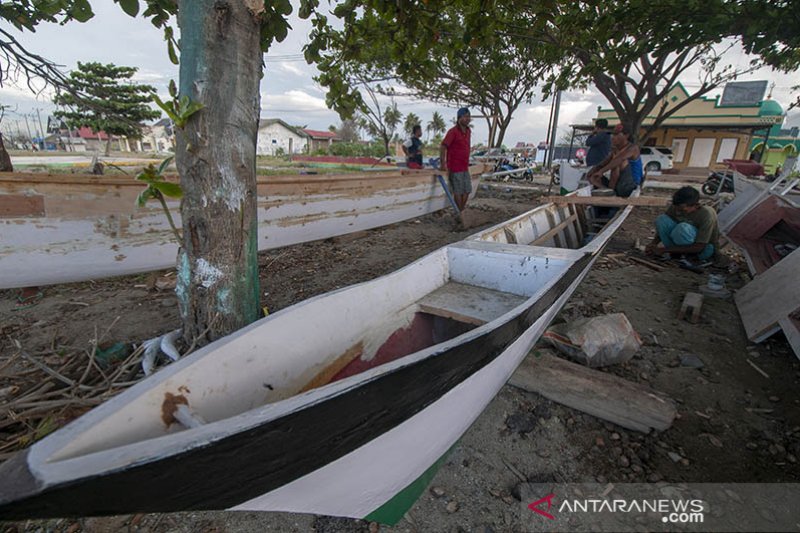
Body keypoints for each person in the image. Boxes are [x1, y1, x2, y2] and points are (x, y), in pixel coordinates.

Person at [645, 186, 719, 262]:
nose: (677, 212)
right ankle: (676, 254)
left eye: (682, 209)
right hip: (681, 242)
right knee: (662, 219)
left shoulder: (706, 214)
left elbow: (700, 246)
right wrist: (653, 244)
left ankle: (687, 256)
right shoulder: (677, 206)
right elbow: (664, 227)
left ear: (695, 205)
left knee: (682, 228)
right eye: (676, 208)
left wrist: (664, 250)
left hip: (704, 249)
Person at [585, 126, 638, 198]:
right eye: (613, 134)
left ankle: (612, 192)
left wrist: (601, 171)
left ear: (626, 135)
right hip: (618, 184)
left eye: (616, 134)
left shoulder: (633, 148)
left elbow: (619, 159)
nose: (613, 137)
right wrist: (595, 169)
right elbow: (605, 162)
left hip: (630, 185)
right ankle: (608, 191)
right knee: (593, 173)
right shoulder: (615, 150)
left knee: (617, 163)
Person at [440, 107, 472, 212]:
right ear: (459, 118)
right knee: (458, 191)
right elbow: (443, 146)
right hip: (455, 166)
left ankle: (460, 212)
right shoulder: (453, 132)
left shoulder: (468, 131)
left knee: (467, 190)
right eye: (466, 116)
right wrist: (443, 164)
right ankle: (460, 213)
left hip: (464, 166)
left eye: (469, 117)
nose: (468, 119)